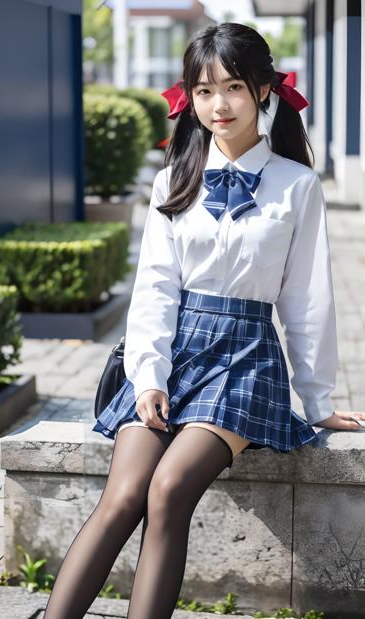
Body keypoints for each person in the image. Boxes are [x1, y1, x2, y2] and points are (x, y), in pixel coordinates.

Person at [44, 22, 365, 619]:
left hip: (245, 361)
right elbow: (155, 291)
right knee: (122, 497)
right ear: (189, 98)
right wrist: (148, 377)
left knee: (167, 491)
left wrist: (317, 399)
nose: (219, 105)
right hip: (175, 351)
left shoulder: (297, 186)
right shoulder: (173, 180)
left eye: (234, 87)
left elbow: (308, 299)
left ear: (264, 91)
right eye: (204, 90)